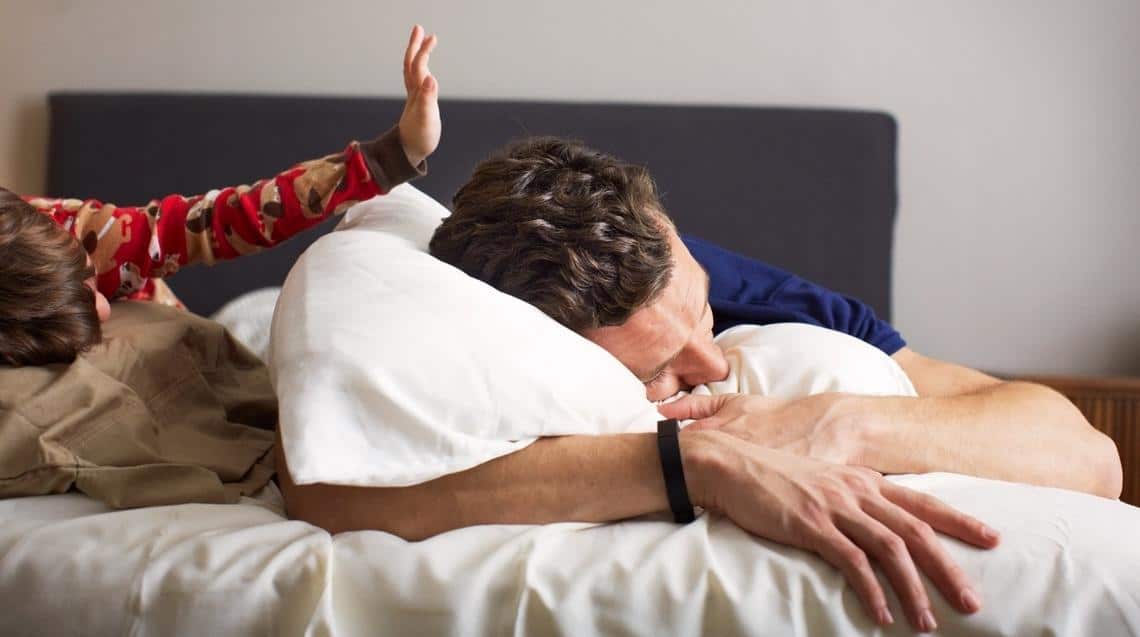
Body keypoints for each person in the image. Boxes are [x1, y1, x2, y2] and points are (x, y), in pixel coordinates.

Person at [278, 138, 1114, 633]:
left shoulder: (741, 289)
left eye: (703, 315)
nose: (711, 366)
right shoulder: (471, 346)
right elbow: (332, 492)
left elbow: (1091, 458)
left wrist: (840, 425)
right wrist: (698, 462)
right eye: (659, 369)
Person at [0, 25, 441, 367]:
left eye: (88, 281)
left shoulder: (91, 237)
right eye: (74, 305)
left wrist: (392, 156)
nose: (102, 307)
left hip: (187, 344)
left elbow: (228, 219)